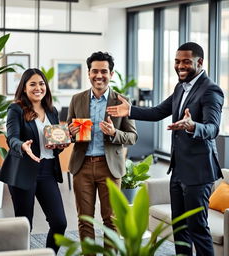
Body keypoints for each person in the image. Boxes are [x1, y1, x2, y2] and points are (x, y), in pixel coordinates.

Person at [107, 42, 224, 256]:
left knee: (197, 228)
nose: (180, 66)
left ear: (200, 62)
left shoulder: (211, 90)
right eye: (177, 61)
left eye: (186, 61)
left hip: (199, 173)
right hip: (178, 171)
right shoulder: (181, 87)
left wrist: (192, 126)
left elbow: (212, 128)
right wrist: (130, 110)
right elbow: (158, 111)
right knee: (180, 228)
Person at [67, 51, 137, 246]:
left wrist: (114, 133)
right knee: (84, 220)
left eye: (104, 71)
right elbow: (68, 135)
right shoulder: (77, 99)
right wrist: (70, 133)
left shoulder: (122, 101)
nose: (99, 76)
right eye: (95, 71)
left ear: (111, 74)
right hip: (82, 167)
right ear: (88, 73)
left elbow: (132, 137)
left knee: (111, 220)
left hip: (110, 168)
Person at [0, 68, 68, 254]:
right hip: (24, 171)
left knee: (60, 222)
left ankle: (49, 253)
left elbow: (54, 144)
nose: (38, 88)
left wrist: (65, 141)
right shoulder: (16, 109)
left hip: (47, 172)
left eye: (41, 83)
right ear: (24, 88)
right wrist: (22, 146)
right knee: (25, 224)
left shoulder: (52, 111)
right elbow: (11, 137)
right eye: (33, 84)